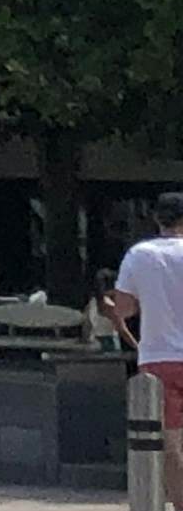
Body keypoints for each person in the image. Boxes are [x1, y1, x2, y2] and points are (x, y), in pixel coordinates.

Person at [99, 194, 183, 495]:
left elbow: (125, 310)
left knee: (170, 441)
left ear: (157, 218)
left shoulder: (139, 254)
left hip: (157, 356)